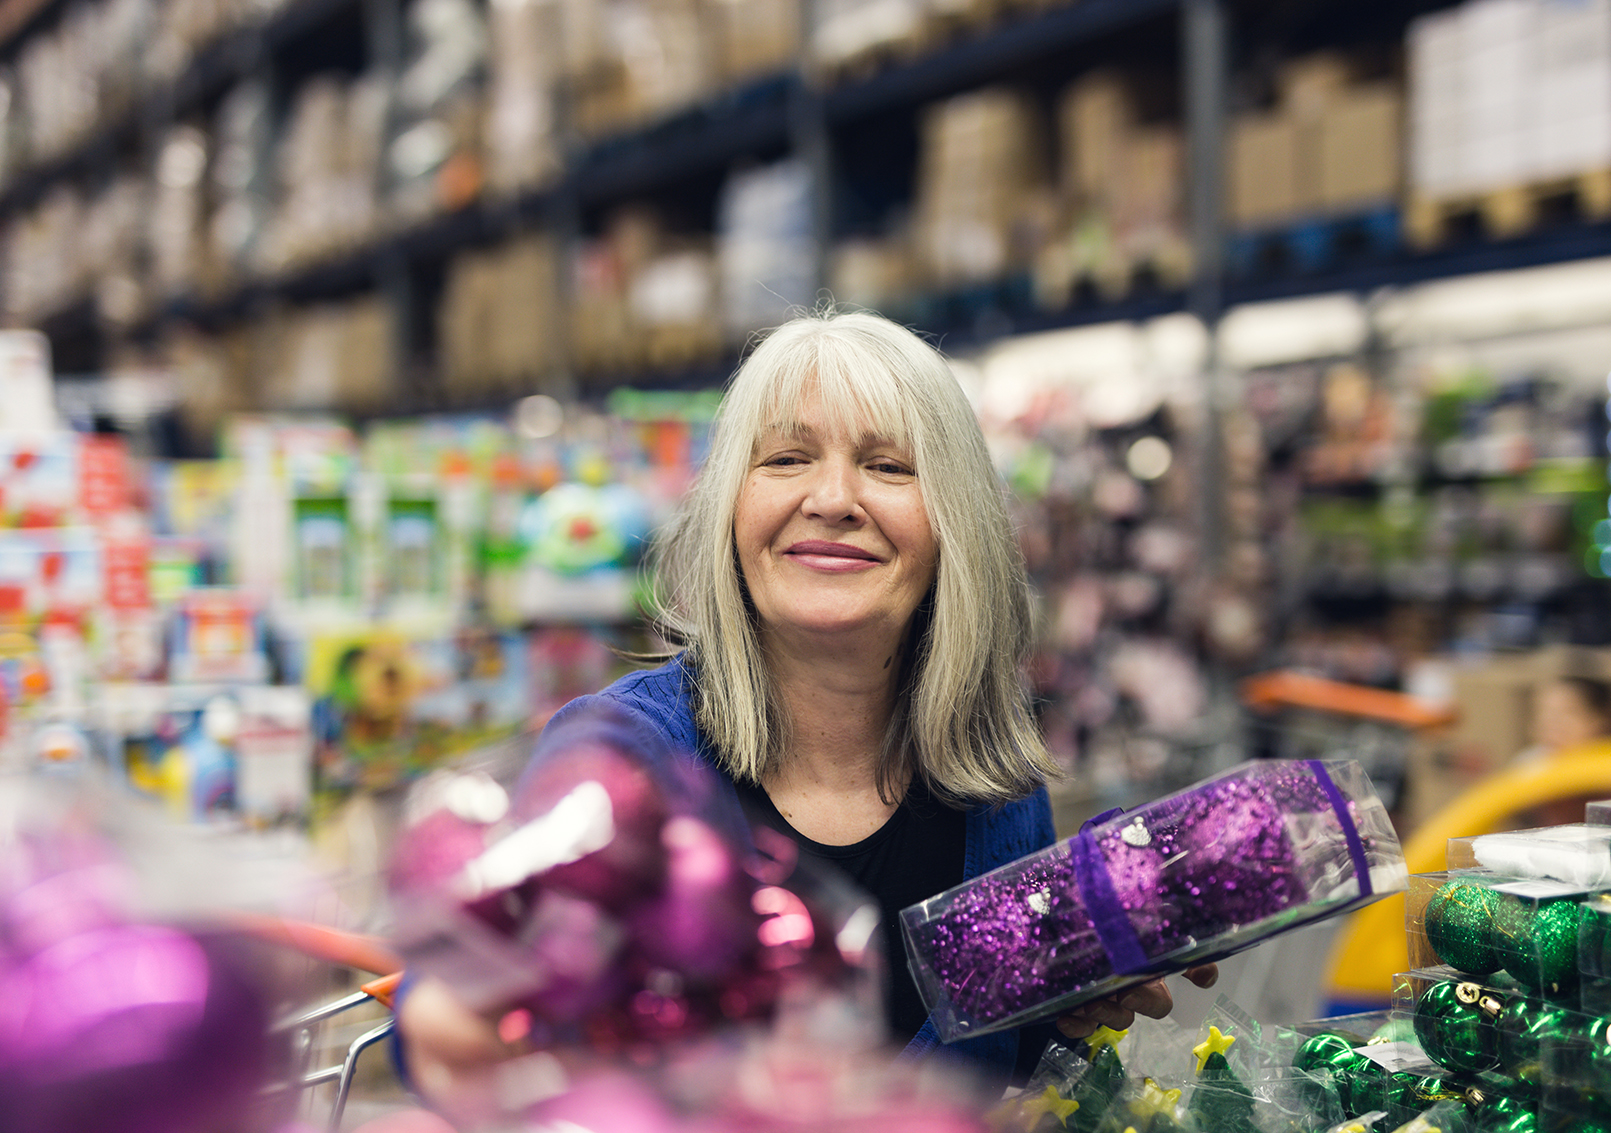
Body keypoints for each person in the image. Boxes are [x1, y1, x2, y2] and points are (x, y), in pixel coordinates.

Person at [397, 310, 1215, 1114]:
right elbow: (456, 1009)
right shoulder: (622, 756)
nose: (832, 498)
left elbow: (988, 1062)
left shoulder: (995, 789)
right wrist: (451, 1019)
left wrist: (1064, 994)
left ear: (954, 525)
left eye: (890, 467)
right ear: (730, 511)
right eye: (786, 458)